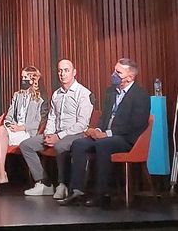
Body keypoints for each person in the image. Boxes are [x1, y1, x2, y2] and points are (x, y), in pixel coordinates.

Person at [59, 58, 151, 208]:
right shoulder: (110, 92)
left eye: (118, 72)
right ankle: (76, 191)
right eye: (114, 70)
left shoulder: (140, 96)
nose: (113, 74)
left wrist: (107, 134)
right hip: (106, 135)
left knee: (103, 144)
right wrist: (97, 130)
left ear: (130, 77)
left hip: (126, 139)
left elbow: (136, 125)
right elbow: (104, 117)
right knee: (79, 144)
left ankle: (102, 194)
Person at [20, 59, 93, 198]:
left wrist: (59, 136)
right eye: (60, 70)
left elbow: (82, 124)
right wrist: (48, 134)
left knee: (60, 145)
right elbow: (52, 117)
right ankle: (44, 183)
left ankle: (62, 184)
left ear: (74, 72)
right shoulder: (56, 94)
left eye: (66, 70)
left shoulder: (83, 93)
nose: (62, 74)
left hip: (76, 134)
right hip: (56, 132)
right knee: (26, 145)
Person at [0, 66, 48, 193]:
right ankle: (1, 173)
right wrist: (9, 124)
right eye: (21, 77)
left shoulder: (41, 99)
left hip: (27, 133)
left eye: (25, 77)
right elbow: (9, 116)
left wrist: (22, 127)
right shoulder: (17, 95)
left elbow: (39, 122)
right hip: (13, 130)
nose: (22, 80)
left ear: (32, 79)